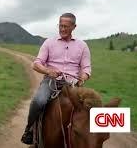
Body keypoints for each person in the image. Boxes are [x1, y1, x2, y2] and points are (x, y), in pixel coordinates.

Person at [21, 13, 92, 145]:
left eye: (66, 26)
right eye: (60, 26)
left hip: (73, 85)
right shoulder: (49, 42)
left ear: (74, 27)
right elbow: (36, 64)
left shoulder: (82, 45)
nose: (62, 29)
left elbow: (87, 69)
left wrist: (82, 78)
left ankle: (90, 140)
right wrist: (49, 71)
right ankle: (29, 130)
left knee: (91, 108)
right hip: (51, 82)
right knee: (38, 101)